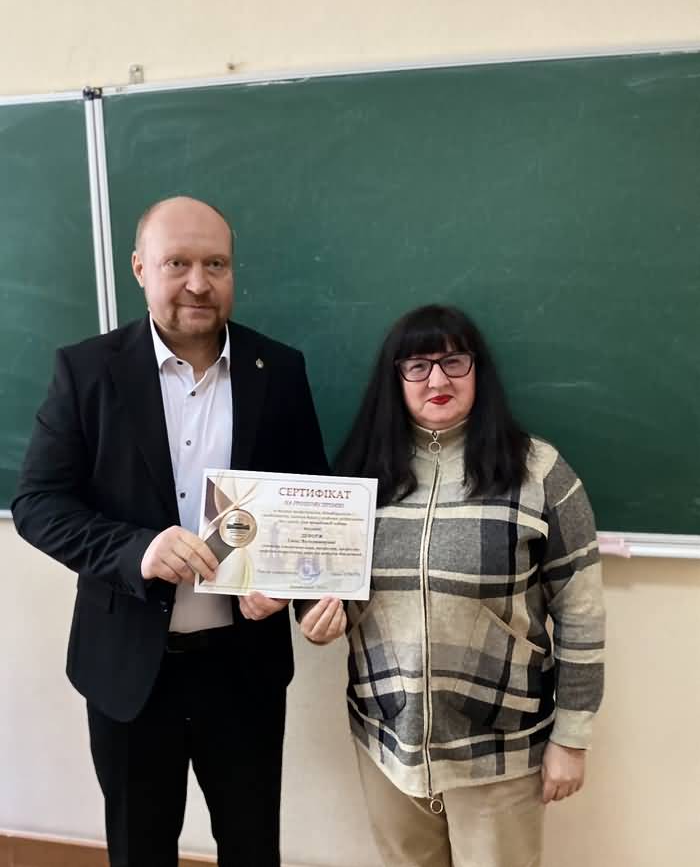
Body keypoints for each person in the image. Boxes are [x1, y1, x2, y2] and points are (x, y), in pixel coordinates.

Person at [12, 196, 329, 867]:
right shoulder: (87, 370)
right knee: (140, 851)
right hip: (129, 671)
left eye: (215, 264)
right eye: (177, 263)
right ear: (139, 268)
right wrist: (138, 550)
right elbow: (38, 504)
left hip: (243, 670)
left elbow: (308, 506)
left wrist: (293, 590)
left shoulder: (280, 370)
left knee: (253, 849)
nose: (198, 283)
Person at [302, 304, 606, 867]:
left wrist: (572, 737)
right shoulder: (358, 476)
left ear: (477, 370)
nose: (437, 380)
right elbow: (322, 584)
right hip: (387, 739)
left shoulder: (539, 472)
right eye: (417, 366)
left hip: (501, 746)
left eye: (453, 362)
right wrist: (315, 616)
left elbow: (581, 612)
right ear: (395, 379)